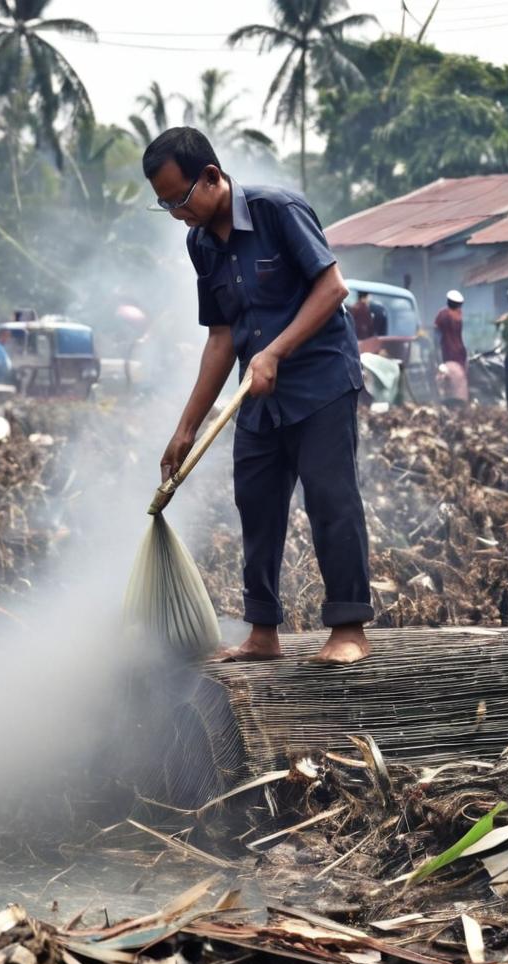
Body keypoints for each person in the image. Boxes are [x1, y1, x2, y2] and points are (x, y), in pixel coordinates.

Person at [144, 126, 371, 665]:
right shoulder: (200, 243)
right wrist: (186, 427)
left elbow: (332, 288)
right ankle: (263, 632)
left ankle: (348, 629)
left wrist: (276, 351)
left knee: (329, 499)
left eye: (181, 198)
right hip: (259, 397)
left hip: (320, 382)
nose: (178, 212)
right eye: (165, 205)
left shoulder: (278, 210)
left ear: (212, 176)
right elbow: (221, 338)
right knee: (257, 503)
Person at [434, 290, 467, 370]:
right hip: (457, 352)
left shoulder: (442, 314)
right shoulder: (458, 315)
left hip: (447, 352)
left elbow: (436, 334)